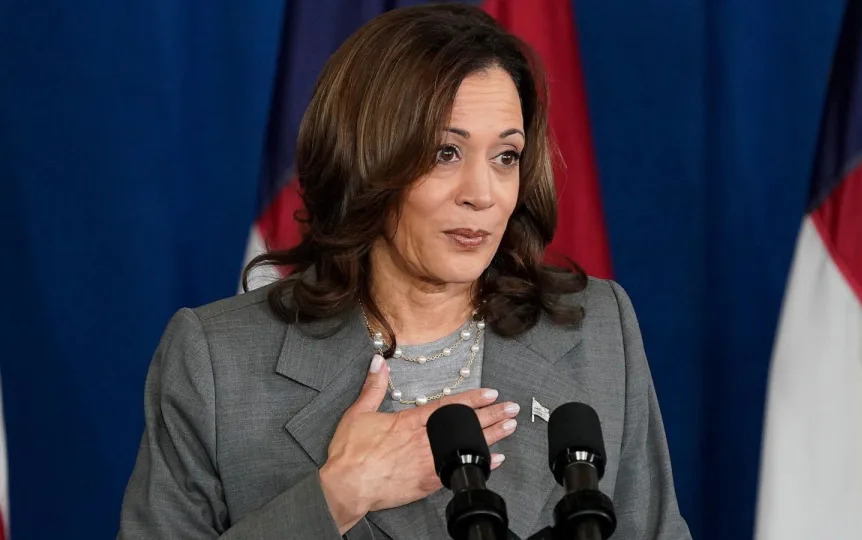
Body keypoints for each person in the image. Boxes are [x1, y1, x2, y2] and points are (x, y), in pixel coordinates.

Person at [117, 4, 690, 539]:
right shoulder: (216, 361)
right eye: (445, 152)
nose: (482, 194)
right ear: (367, 160)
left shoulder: (595, 330)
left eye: (506, 156)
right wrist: (338, 495)